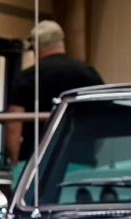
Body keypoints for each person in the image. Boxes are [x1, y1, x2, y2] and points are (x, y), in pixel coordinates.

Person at [6, 19, 103, 161]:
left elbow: (13, 126)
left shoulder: (29, 76)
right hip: (80, 158)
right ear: (62, 43)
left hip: (36, 160)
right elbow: (101, 118)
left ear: (37, 47)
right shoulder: (89, 73)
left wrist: (15, 162)